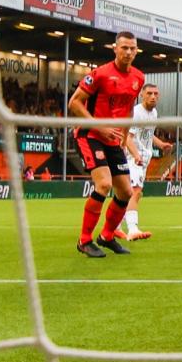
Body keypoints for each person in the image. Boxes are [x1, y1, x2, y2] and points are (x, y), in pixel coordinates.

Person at [68, 32, 144, 258]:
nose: (128, 52)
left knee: (126, 191)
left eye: (132, 48)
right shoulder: (99, 74)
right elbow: (75, 103)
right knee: (103, 185)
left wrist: (125, 134)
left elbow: (129, 108)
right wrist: (99, 126)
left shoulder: (138, 78)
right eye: (124, 48)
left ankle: (107, 236)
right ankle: (84, 240)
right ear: (115, 49)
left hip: (112, 140)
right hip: (90, 135)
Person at [121, 84, 174, 240]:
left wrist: (161, 144)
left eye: (156, 94)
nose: (153, 96)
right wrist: (136, 155)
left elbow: (148, 134)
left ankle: (116, 225)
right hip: (132, 158)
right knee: (135, 191)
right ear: (142, 95)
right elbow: (127, 138)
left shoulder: (154, 113)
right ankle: (132, 228)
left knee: (132, 194)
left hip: (143, 159)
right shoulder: (136, 113)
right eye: (149, 93)